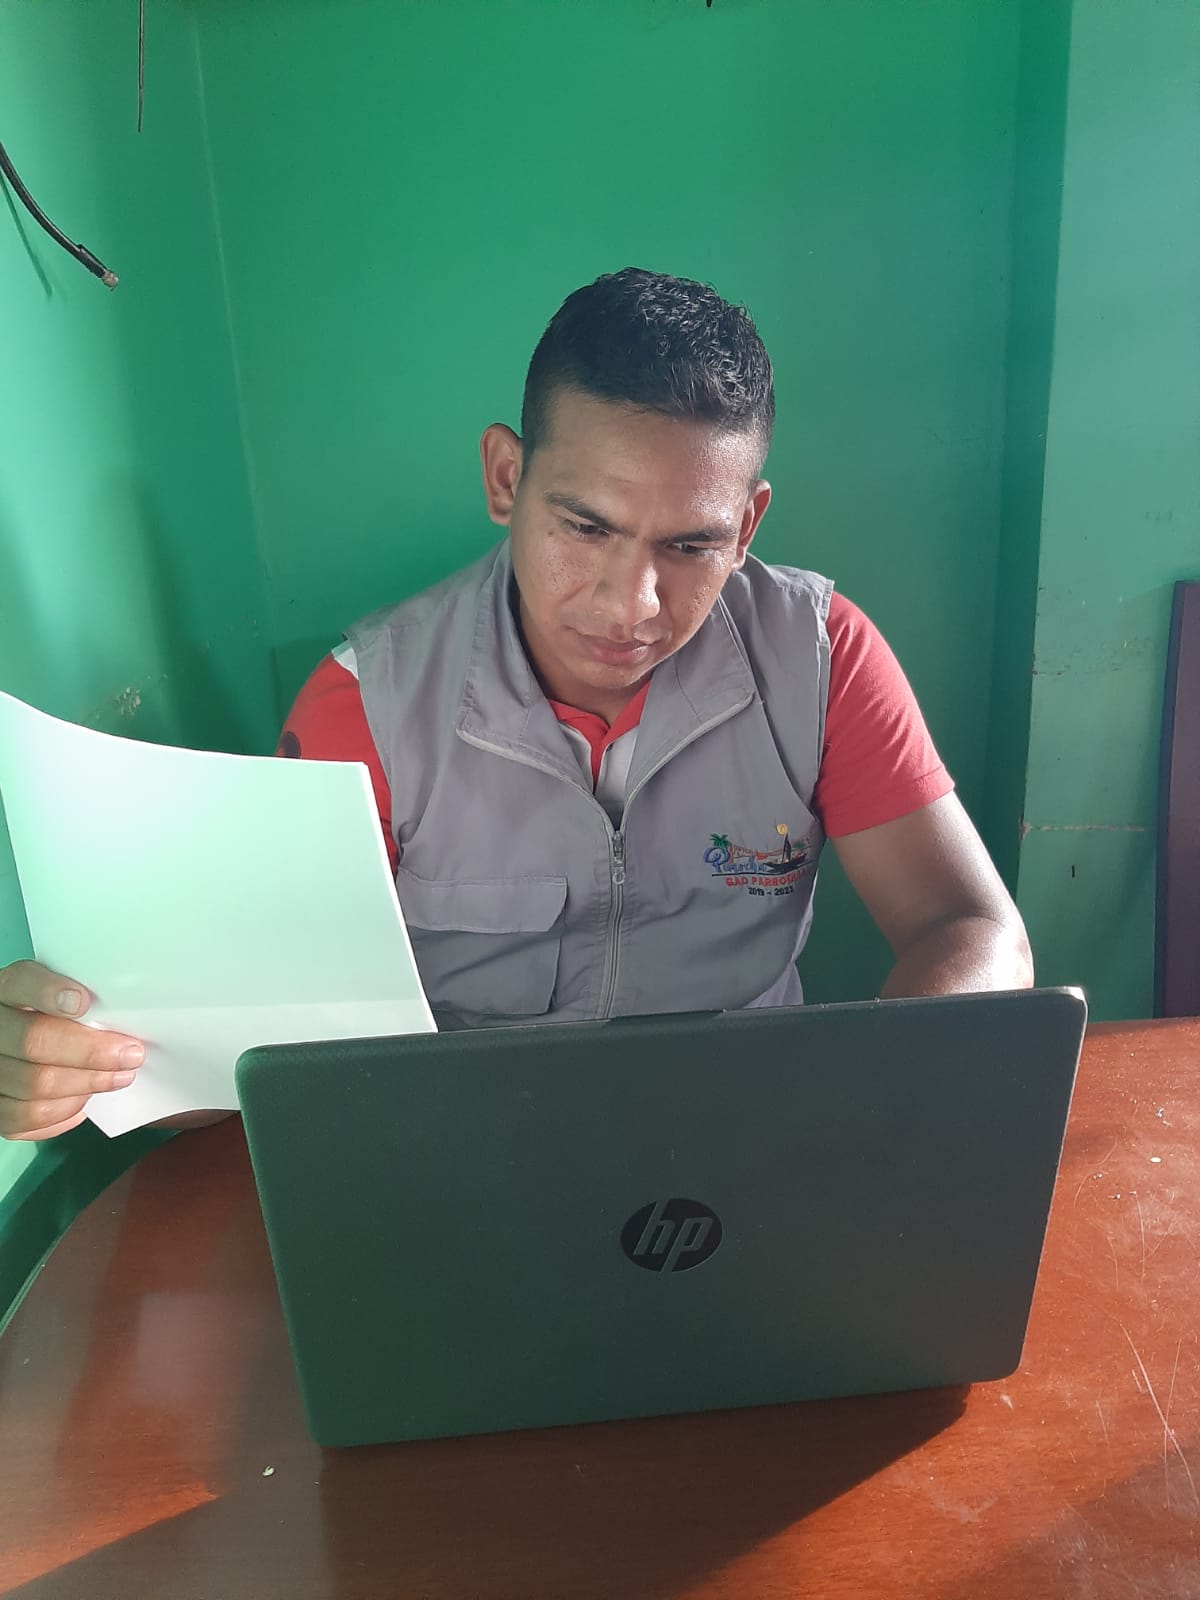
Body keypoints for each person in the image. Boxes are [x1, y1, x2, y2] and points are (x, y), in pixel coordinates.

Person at [0, 268, 1032, 1141]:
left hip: (749, 1139)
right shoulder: (370, 704)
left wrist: (871, 1107)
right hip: (469, 1152)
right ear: (506, 477)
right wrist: (73, 1070)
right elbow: (248, 1047)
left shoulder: (820, 655)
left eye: (692, 545)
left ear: (748, 524)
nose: (633, 605)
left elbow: (973, 926)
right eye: (585, 526)